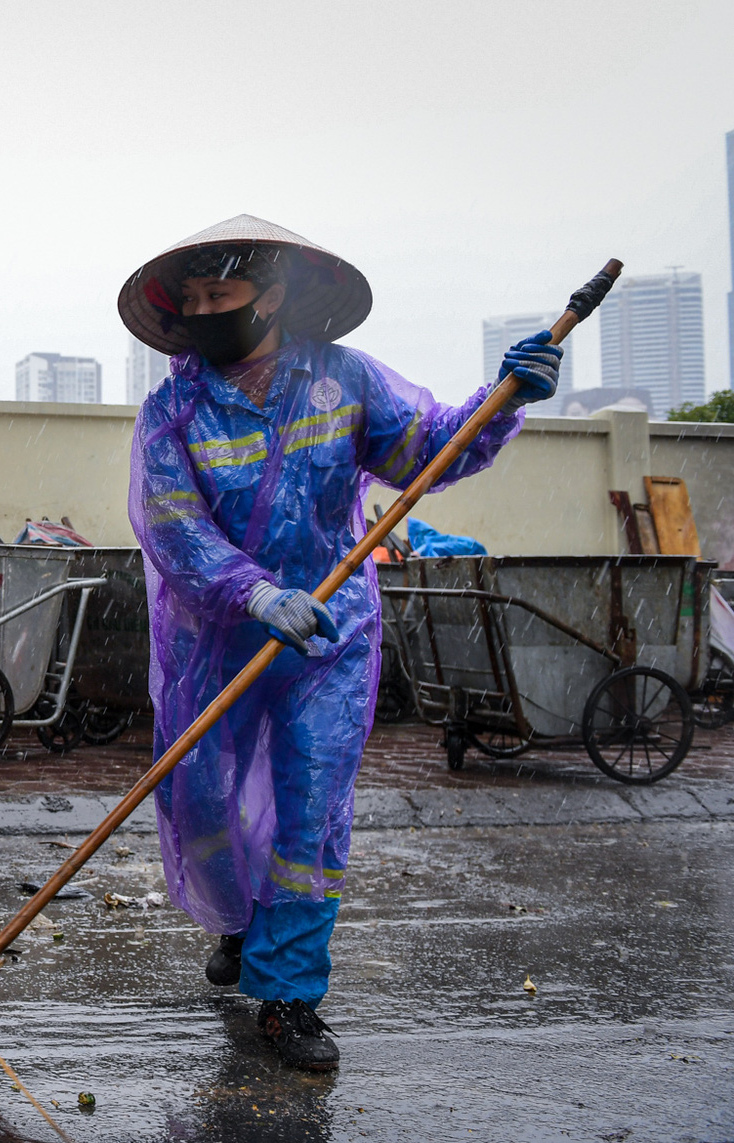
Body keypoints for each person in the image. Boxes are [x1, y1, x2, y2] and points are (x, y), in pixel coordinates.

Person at [118, 215, 559, 1070]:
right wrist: (253, 590)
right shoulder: (173, 410)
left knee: (311, 809)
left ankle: (289, 994)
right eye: (197, 298)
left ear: (272, 297)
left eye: (225, 293)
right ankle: (242, 925)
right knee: (202, 799)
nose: (209, 309)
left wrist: (501, 405)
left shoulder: (343, 380)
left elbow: (427, 451)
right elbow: (168, 524)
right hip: (213, 637)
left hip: (329, 637)